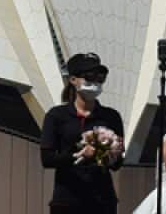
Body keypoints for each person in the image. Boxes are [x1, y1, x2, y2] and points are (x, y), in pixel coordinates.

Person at [40, 53, 125, 214]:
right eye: (89, 76)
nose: (95, 82)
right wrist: (78, 155)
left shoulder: (111, 116)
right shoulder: (57, 115)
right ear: (73, 80)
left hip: (103, 200)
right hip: (67, 200)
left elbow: (117, 164)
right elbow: (47, 159)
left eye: (100, 77)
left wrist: (110, 154)